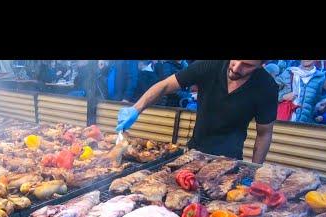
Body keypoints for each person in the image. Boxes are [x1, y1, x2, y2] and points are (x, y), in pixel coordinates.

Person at [116, 60, 277, 163]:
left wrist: (255, 169)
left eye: (247, 65)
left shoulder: (266, 87)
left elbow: (264, 134)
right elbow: (164, 85)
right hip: (194, 151)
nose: (236, 67)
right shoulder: (210, 65)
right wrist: (136, 109)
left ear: (261, 64)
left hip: (229, 160)